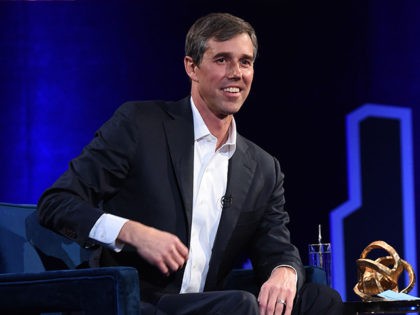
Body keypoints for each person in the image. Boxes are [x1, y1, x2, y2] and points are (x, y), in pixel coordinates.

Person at [38, 12, 343, 315]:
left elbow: (275, 246)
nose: (236, 73)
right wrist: (131, 232)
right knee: (238, 304)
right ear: (192, 67)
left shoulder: (263, 167)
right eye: (222, 59)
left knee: (320, 299)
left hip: (208, 302)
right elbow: (57, 203)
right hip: (138, 301)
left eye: (245, 62)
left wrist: (284, 271)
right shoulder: (140, 126)